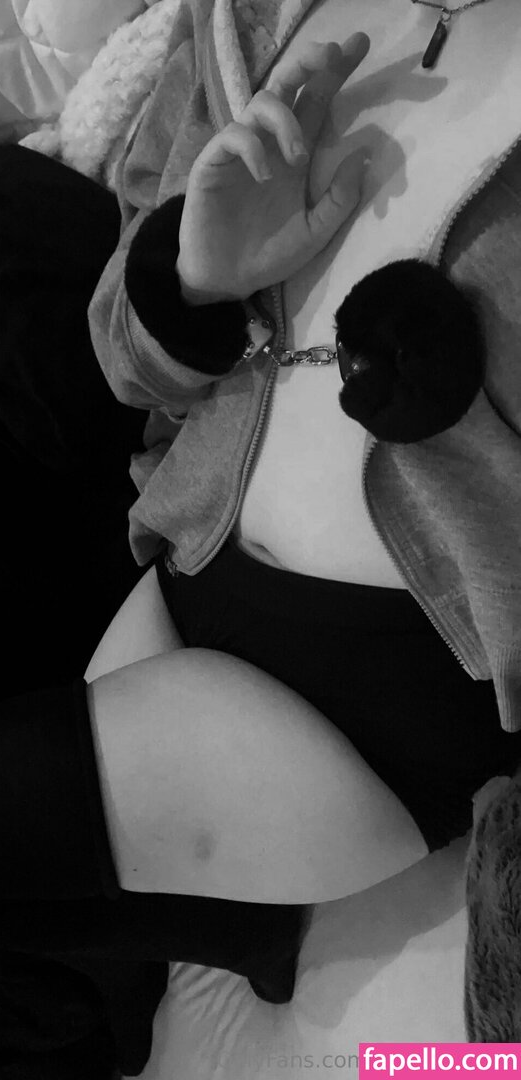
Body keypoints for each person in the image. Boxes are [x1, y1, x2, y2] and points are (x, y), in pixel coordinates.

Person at [87, 1, 521, 861]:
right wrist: (194, 287)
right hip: (189, 570)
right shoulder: (241, 23)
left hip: (410, 683)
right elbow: (124, 366)